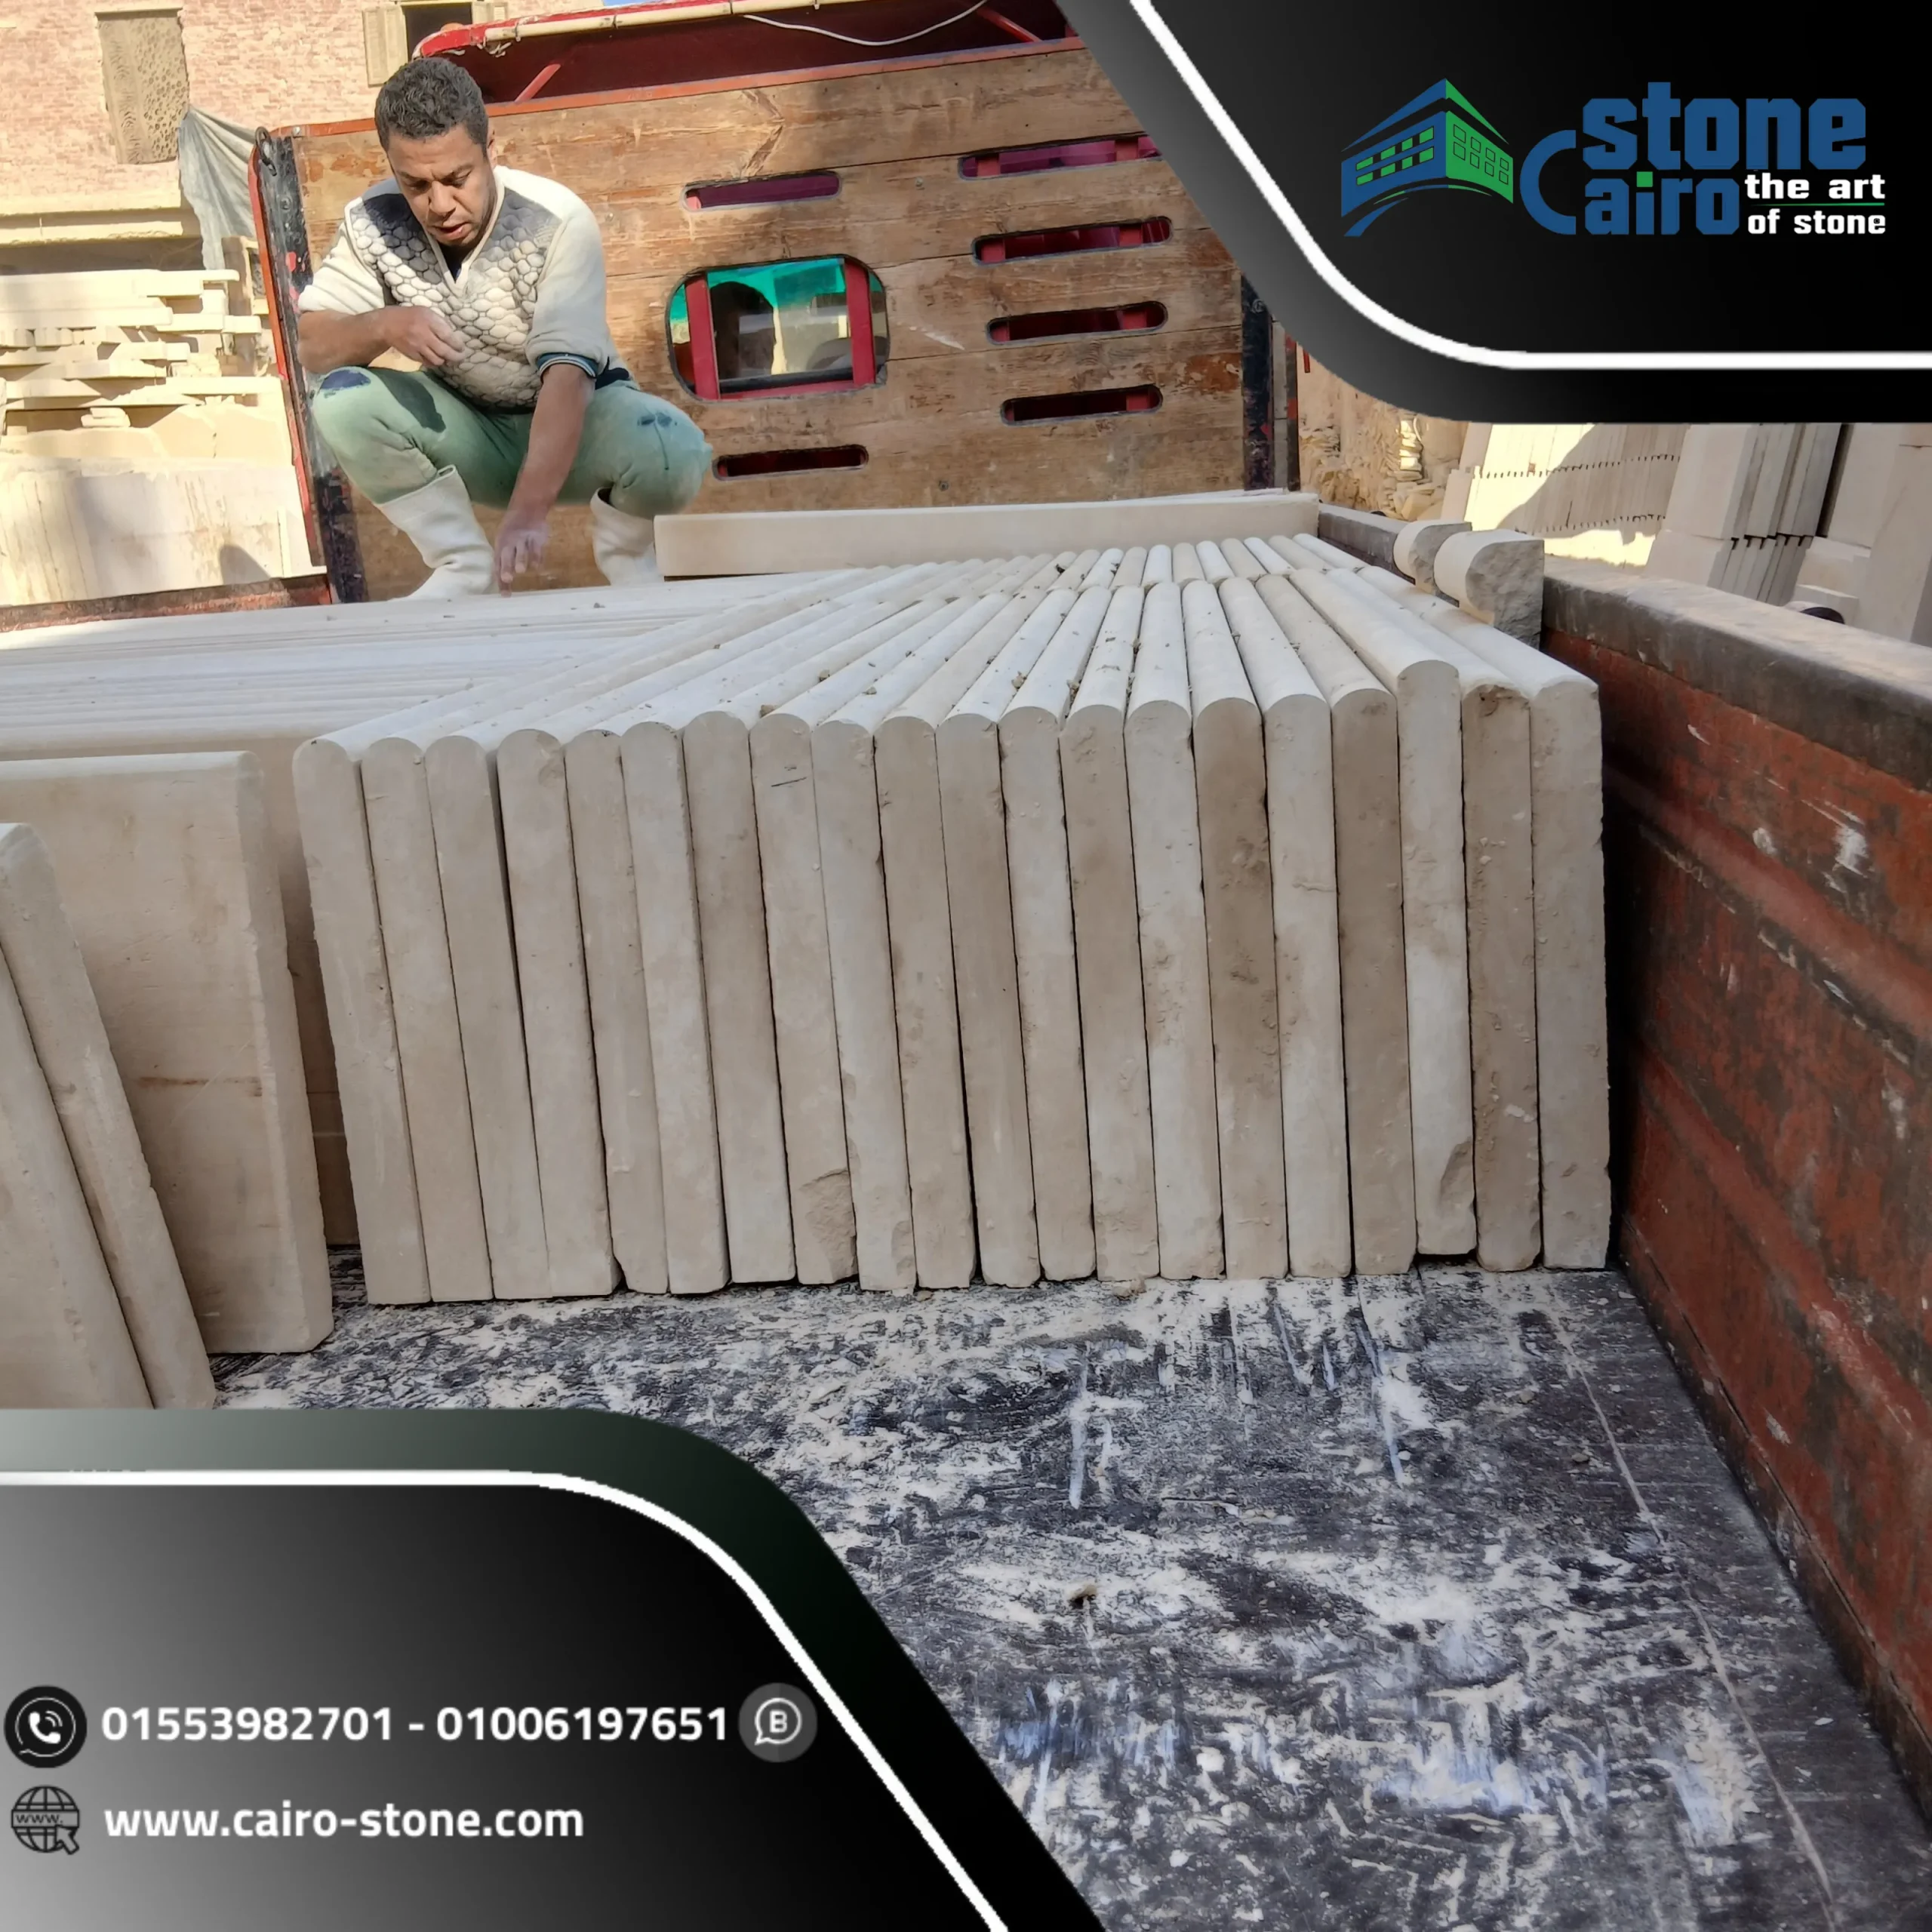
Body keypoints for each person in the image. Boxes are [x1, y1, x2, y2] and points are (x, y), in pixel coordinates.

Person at [296, 57, 710, 595]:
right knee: (341, 399)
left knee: (673, 451)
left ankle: (627, 555)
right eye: (415, 184)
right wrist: (384, 325)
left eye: (457, 179)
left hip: (579, 432)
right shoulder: (371, 220)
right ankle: (462, 566)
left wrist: (527, 513)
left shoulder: (557, 220)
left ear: (492, 150)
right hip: (471, 436)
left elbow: (568, 380)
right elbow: (314, 347)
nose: (440, 205)